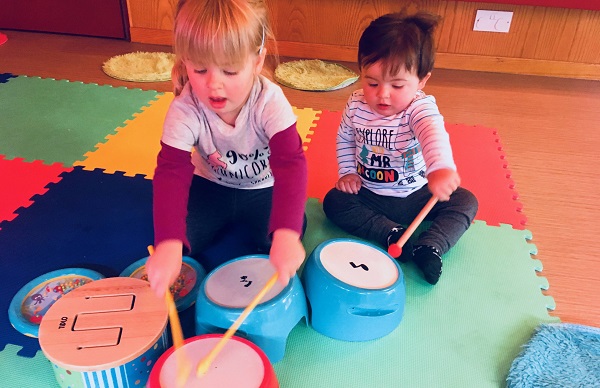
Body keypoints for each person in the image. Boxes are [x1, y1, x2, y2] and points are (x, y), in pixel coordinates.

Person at [146, 0, 307, 297]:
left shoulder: (270, 102)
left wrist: (286, 232)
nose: (213, 85)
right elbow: (171, 171)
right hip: (211, 187)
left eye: (230, 71)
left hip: (263, 190)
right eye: (200, 69)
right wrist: (169, 242)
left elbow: (292, 164)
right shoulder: (185, 108)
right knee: (180, 240)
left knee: (286, 237)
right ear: (185, 63)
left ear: (257, 61)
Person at [322, 12, 478, 285]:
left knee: (466, 202)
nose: (382, 94)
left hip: (418, 194)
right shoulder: (356, 104)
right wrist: (348, 173)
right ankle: (391, 233)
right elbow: (345, 138)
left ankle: (431, 245)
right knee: (334, 202)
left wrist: (440, 168)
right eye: (372, 82)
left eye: (396, 85)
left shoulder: (419, 107)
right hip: (369, 193)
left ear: (422, 81)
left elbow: (433, 133)